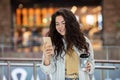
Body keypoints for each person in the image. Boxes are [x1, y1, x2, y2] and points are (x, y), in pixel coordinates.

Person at [40, 8, 95, 80]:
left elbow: (92, 64)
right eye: (57, 24)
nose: (60, 26)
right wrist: (47, 58)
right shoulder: (53, 43)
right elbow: (48, 71)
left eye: (63, 23)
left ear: (70, 23)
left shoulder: (84, 41)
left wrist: (89, 66)